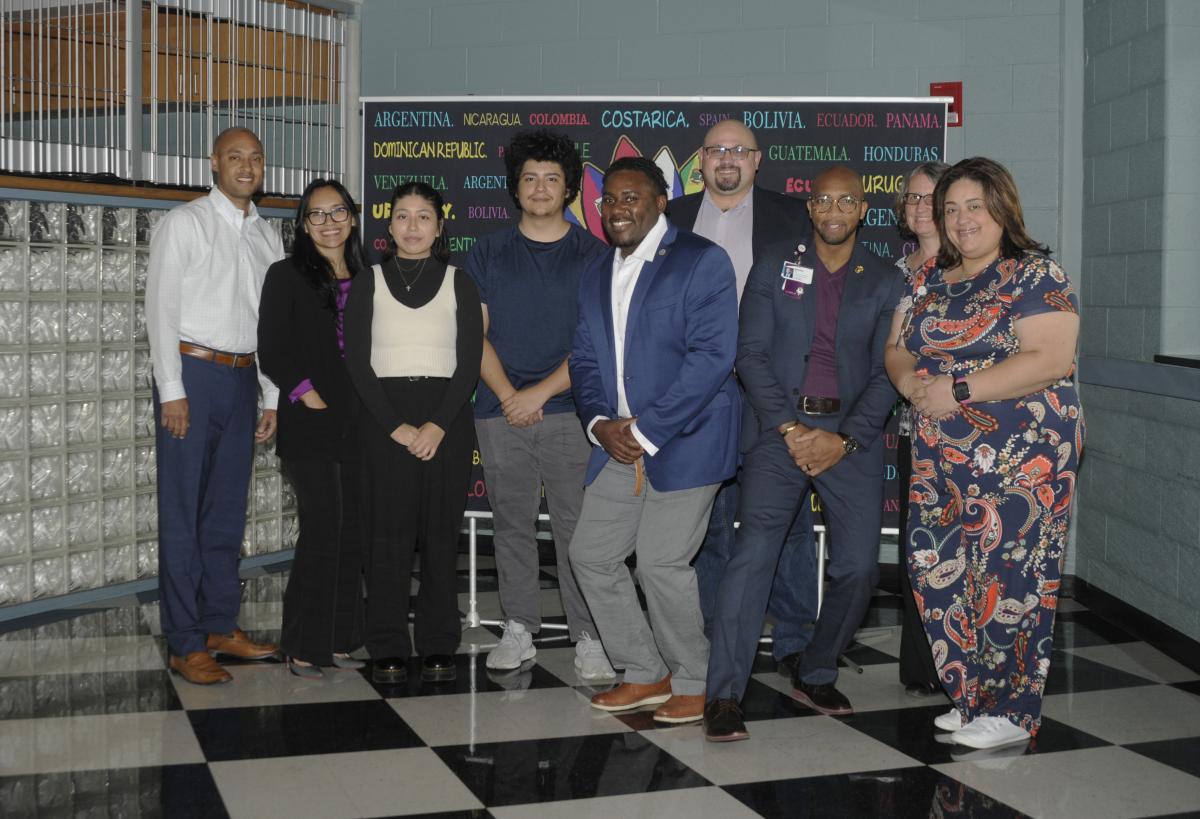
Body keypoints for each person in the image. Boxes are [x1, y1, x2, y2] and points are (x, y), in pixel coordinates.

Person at [885, 157, 1084, 751]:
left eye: (974, 206)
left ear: (1002, 208)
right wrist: (910, 384)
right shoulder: (928, 279)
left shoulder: (1033, 273)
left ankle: (1012, 709)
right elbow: (897, 346)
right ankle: (972, 695)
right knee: (935, 571)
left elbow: (1050, 360)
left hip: (1022, 457)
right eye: (950, 209)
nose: (961, 219)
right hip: (939, 456)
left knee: (1010, 576)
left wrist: (958, 389)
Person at [704, 165, 902, 741]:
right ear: (810, 209)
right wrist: (791, 430)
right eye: (824, 201)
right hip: (778, 431)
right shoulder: (774, 261)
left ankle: (816, 666)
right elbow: (751, 353)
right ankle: (724, 696)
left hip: (851, 439)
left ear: (863, 210)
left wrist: (843, 438)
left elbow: (889, 371)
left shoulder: (887, 280)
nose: (835, 211)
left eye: (847, 202)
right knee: (753, 555)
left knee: (859, 566)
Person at [568, 157, 740, 725]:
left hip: (686, 440)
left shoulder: (700, 261)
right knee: (589, 555)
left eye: (631, 197)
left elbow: (712, 359)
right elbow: (586, 359)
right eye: (609, 200)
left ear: (661, 200)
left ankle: (693, 676)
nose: (617, 209)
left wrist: (645, 430)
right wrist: (600, 424)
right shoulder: (595, 271)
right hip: (617, 442)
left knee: (662, 563)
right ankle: (644, 671)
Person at [667, 117, 817, 675]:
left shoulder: (791, 217)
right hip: (695, 395)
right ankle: (709, 636)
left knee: (789, 518)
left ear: (757, 160)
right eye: (715, 150)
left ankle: (797, 638)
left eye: (739, 150)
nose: (726, 159)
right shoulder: (673, 218)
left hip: (772, 392)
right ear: (699, 161)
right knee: (703, 518)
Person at [468, 130, 613, 679]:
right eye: (530, 177)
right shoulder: (487, 251)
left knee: (578, 529)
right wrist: (509, 395)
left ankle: (589, 636)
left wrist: (538, 394)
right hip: (499, 410)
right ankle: (520, 628)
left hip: (571, 412)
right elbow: (474, 333)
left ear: (571, 188)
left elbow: (595, 344)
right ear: (515, 187)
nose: (540, 187)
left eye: (552, 178)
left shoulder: (593, 255)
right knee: (511, 524)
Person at [146, 126, 282, 686]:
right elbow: (160, 308)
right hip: (193, 376)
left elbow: (272, 322)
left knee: (227, 511)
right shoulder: (185, 224)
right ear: (213, 163)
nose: (246, 166)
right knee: (182, 513)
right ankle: (183, 641)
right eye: (234, 157)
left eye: (254, 158)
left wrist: (272, 394)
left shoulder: (267, 235)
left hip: (243, 378)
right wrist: (172, 388)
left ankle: (219, 625)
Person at [344, 182, 483, 685]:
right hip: (383, 419)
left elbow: (469, 363)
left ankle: (439, 639)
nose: (413, 227)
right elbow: (357, 363)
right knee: (387, 537)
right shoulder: (369, 282)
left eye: (424, 217)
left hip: (445, 421)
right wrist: (397, 427)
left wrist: (438, 425)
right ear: (389, 226)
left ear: (440, 226)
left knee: (441, 536)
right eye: (403, 216)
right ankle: (386, 642)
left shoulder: (458, 282)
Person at [258, 179, 368, 679]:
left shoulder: (370, 276)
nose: (329, 222)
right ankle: (302, 643)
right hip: (311, 421)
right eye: (316, 215)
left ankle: (341, 636)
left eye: (337, 211)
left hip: (361, 421)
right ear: (303, 225)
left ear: (351, 216)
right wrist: (309, 394)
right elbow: (273, 348)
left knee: (351, 532)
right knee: (322, 528)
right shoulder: (286, 275)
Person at [891, 161, 950, 697]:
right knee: (920, 548)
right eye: (911, 198)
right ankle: (922, 664)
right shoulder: (894, 270)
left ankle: (963, 664)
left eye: (930, 197)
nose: (919, 207)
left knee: (960, 550)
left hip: (969, 431)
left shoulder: (975, 266)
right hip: (912, 431)